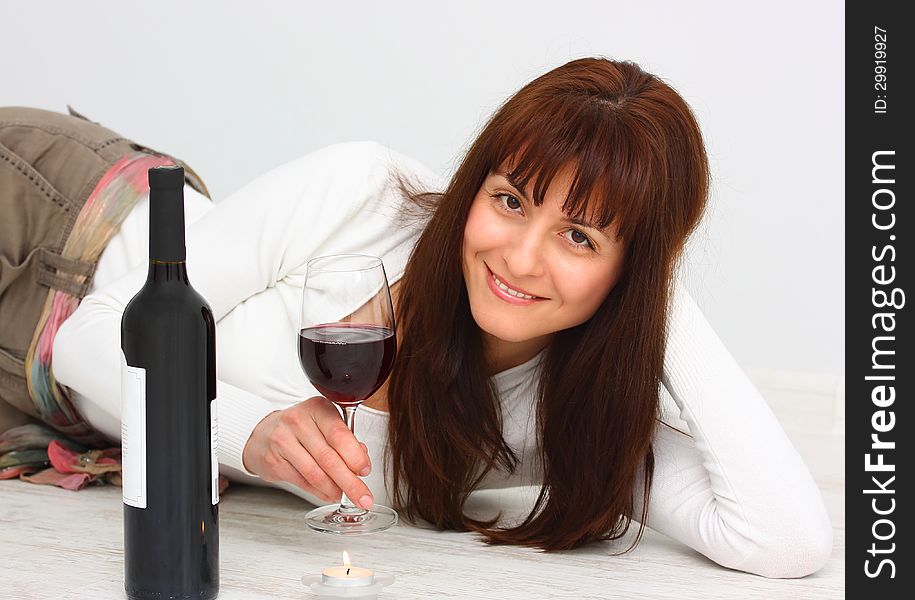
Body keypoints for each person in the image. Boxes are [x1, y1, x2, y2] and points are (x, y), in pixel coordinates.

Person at [3, 58, 831, 578]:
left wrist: (655, 290)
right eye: (509, 200)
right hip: (57, 228)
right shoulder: (363, 194)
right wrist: (246, 432)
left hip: (26, 401)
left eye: (578, 236)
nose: (519, 257)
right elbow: (87, 336)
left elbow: (786, 541)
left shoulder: (563, 421)